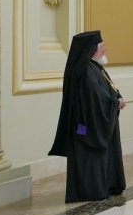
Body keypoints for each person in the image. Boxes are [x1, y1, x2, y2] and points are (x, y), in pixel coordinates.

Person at [49, 31, 127, 203]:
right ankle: (90, 191)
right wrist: (115, 103)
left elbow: (107, 90)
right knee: (89, 156)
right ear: (92, 49)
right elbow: (95, 99)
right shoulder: (85, 71)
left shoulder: (94, 67)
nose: (105, 50)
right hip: (84, 127)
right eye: (102, 46)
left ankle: (108, 185)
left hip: (93, 122)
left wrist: (117, 99)